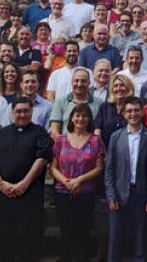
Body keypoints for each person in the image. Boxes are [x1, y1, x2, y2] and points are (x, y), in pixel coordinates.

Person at [0, 98, 53, 262]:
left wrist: (24, 183)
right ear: (12, 113)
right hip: (3, 196)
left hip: (29, 197)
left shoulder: (40, 133)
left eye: (26, 111)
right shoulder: (1, 134)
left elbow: (42, 159)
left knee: (28, 243)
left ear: (31, 112)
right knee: (3, 243)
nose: (22, 114)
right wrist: (1, 183)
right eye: (18, 111)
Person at [51, 103, 106, 262]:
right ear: (71, 118)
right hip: (63, 191)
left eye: (84, 116)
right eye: (77, 115)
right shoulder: (61, 140)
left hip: (86, 193)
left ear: (89, 119)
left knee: (83, 232)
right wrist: (66, 181)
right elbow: (53, 167)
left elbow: (98, 168)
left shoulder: (96, 141)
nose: (80, 119)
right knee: (65, 231)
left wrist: (78, 180)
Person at [104, 97, 147, 262]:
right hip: (119, 194)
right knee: (115, 239)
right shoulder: (116, 137)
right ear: (124, 114)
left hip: (141, 194)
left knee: (141, 238)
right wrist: (111, 196)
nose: (133, 114)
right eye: (129, 111)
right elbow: (109, 169)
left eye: (136, 110)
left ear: (142, 112)